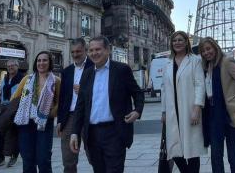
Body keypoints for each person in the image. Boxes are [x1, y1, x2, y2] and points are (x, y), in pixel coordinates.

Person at [70, 36, 144, 173]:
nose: (94, 53)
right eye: (91, 50)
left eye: (98, 49)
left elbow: (138, 93)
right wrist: (74, 132)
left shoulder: (121, 70)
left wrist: (137, 111)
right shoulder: (86, 74)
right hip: (92, 134)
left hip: (114, 132)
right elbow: (80, 106)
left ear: (107, 50)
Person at [200, 37, 235, 173]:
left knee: (233, 155)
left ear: (215, 47)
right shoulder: (206, 67)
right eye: (203, 51)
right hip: (213, 116)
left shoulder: (226, 61)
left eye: (208, 49)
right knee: (216, 156)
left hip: (230, 115)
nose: (206, 53)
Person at [161, 31, 206, 173]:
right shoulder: (168, 63)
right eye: (175, 40)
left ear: (187, 42)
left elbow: (200, 84)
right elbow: (164, 89)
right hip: (172, 111)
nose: (177, 42)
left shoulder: (194, 60)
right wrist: (163, 111)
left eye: (181, 40)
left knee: (192, 149)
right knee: (173, 149)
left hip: (189, 109)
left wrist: (197, 108)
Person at [12, 51, 61, 173]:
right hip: (25, 123)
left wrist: (50, 113)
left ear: (50, 62)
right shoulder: (26, 79)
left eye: (45, 60)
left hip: (45, 124)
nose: (41, 63)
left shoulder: (56, 81)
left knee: (43, 159)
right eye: (39, 60)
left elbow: (61, 102)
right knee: (27, 159)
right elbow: (14, 99)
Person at [56, 38, 93, 173]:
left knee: (94, 155)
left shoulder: (94, 66)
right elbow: (63, 97)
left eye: (78, 51)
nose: (75, 54)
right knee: (68, 159)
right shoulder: (67, 71)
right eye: (73, 52)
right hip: (70, 116)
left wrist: (85, 90)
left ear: (85, 50)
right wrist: (60, 120)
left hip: (89, 115)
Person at [0, 60, 24, 169]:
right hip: (4, 108)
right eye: (8, 66)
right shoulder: (5, 79)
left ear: (17, 66)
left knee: (14, 133)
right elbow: (1, 92)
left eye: (12, 66)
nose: (10, 68)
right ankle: (0, 158)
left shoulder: (22, 79)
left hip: (15, 107)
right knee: (0, 132)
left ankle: (14, 156)